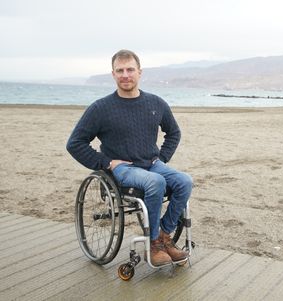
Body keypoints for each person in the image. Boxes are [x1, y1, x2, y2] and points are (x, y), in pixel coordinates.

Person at [66, 49, 193, 266]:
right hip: (122, 168)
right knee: (156, 182)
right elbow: (75, 143)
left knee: (184, 181)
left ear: (139, 72)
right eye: (120, 70)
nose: (126, 75)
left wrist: (162, 157)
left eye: (130, 69)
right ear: (113, 74)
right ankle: (152, 243)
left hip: (152, 164)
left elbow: (174, 133)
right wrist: (106, 162)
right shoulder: (100, 108)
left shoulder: (156, 103)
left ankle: (164, 234)